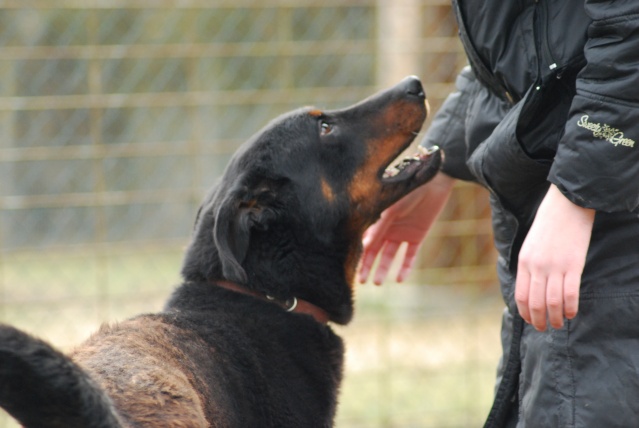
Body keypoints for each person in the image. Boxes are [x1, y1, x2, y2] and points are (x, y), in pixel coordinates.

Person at [358, 2, 639, 427]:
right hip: (549, 214)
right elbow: (531, 39)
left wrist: (575, 194)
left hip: (608, 216)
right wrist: (441, 158)